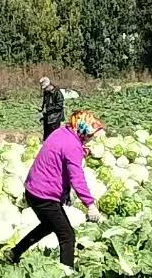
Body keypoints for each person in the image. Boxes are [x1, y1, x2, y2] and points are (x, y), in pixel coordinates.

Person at [7, 109, 100, 266]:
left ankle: (14, 253)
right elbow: (77, 178)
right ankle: (66, 276)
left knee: (48, 225)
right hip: (45, 195)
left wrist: (82, 150)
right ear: (82, 131)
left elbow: (61, 152)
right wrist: (89, 204)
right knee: (67, 236)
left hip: (33, 190)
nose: (91, 140)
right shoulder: (73, 147)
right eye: (90, 136)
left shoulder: (62, 132)